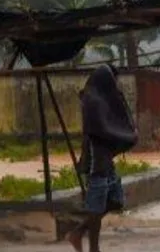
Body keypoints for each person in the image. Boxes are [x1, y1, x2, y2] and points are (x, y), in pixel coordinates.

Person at [67, 64, 138, 252]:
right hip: (95, 162)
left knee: (116, 200)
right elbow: (102, 129)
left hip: (106, 161)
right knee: (96, 208)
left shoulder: (103, 99)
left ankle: (78, 232)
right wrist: (125, 136)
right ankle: (93, 248)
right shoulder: (92, 101)